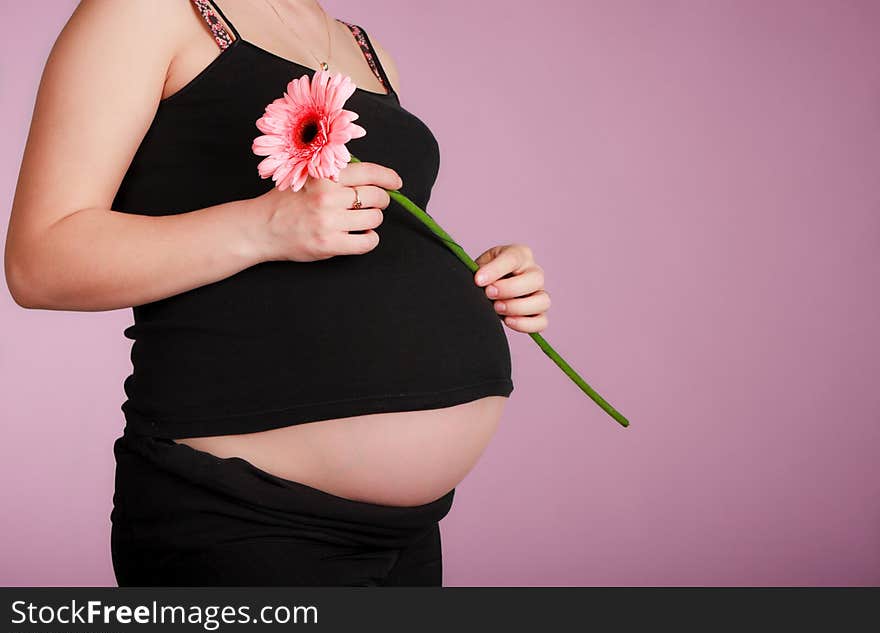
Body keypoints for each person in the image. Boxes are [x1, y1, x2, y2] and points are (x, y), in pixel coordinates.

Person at [5, 0, 551, 586]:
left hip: (408, 530)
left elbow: (363, 234)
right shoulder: (145, 11)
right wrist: (264, 227)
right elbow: (40, 261)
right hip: (247, 517)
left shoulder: (367, 51)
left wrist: (479, 276)